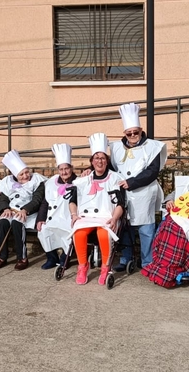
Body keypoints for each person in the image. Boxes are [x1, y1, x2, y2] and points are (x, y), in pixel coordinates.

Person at [110, 103, 167, 270]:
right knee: (125, 230)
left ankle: (147, 261)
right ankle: (126, 259)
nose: (133, 135)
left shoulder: (153, 146)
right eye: (129, 133)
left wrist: (132, 182)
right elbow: (109, 169)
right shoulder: (115, 149)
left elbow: (152, 171)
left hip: (144, 194)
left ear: (141, 130)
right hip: (124, 196)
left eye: (136, 132)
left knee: (146, 230)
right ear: (125, 133)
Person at [70, 133, 125, 285]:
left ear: (107, 161)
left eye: (102, 158)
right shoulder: (84, 179)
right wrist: (74, 215)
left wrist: (114, 218)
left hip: (107, 217)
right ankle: (82, 266)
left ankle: (105, 267)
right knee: (79, 233)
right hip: (86, 217)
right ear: (92, 162)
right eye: (96, 158)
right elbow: (72, 200)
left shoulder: (115, 178)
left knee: (103, 234)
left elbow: (121, 203)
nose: (99, 161)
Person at [0, 150, 46, 271]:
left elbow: (37, 199)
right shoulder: (7, 181)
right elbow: (2, 198)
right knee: (2, 223)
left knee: (17, 223)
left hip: (28, 212)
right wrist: (5, 208)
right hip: (11, 210)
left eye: (26, 172)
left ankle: (22, 257)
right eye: (21, 174)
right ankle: (2, 256)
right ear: (15, 175)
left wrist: (25, 210)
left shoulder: (37, 180)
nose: (25, 176)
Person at [36, 143, 76, 269]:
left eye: (66, 168)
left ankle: (65, 258)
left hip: (68, 218)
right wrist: (40, 219)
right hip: (53, 217)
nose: (64, 172)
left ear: (71, 168)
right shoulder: (50, 182)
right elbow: (45, 202)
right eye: (61, 169)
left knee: (70, 234)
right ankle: (51, 258)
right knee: (43, 230)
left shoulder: (79, 182)